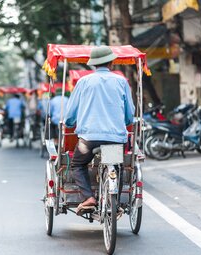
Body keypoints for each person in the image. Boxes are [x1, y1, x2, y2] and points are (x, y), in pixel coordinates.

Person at [64, 46, 135, 214]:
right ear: (111, 62)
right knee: (116, 167)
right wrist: (122, 122)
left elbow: (69, 117)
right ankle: (115, 202)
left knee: (78, 164)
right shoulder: (121, 82)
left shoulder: (83, 82)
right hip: (115, 138)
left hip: (89, 139)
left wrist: (70, 123)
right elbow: (129, 116)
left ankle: (88, 197)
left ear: (94, 65)